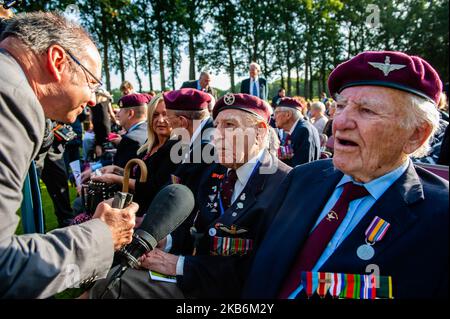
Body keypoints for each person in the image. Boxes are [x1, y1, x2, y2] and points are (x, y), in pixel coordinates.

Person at [242, 51, 448, 299]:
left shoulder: (440, 218)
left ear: (416, 134)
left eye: (367, 110)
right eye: (340, 106)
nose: (340, 122)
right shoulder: (301, 179)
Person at [89, 93, 292, 299]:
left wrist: (179, 265)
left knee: (115, 284)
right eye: (217, 125)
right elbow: (198, 229)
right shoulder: (217, 171)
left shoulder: (284, 183)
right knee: (116, 267)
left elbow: (266, 267)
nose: (216, 135)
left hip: (228, 291)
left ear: (260, 131)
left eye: (229, 125)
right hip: (196, 275)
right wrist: (164, 241)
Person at [0, 12, 137, 298]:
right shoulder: (11, 98)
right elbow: (3, 268)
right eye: (91, 82)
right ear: (57, 60)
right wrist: (101, 235)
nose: (91, 100)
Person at [91, 93, 178, 218]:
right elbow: (140, 176)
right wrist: (116, 170)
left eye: (165, 114)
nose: (160, 120)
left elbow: (153, 187)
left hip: (148, 214)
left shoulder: (175, 149)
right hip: (134, 205)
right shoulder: (148, 146)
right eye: (155, 115)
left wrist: (114, 178)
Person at [274, 97, 321, 166]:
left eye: (276, 113)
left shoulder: (304, 130)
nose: (274, 117)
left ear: (288, 115)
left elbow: (302, 168)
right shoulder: (299, 128)